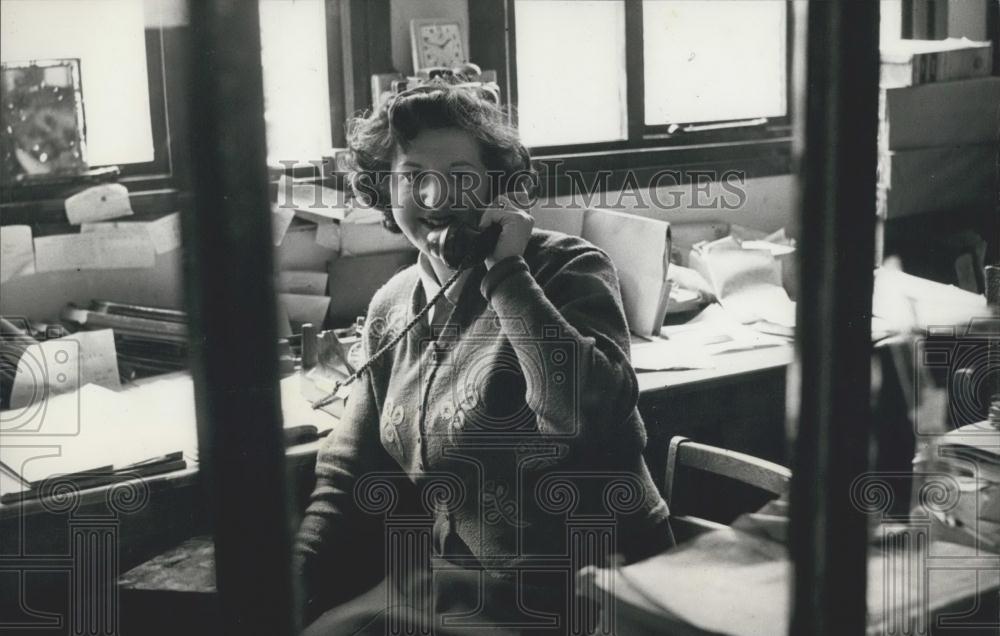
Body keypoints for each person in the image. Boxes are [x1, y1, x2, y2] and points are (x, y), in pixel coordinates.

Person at [296, 80, 674, 635]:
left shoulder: (567, 269)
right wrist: (294, 577)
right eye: (413, 176)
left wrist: (505, 273)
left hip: (589, 584)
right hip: (459, 585)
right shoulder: (392, 304)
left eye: (459, 176)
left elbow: (579, 415)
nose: (433, 197)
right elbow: (347, 476)